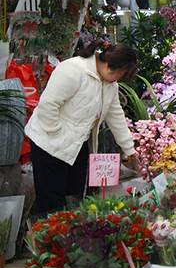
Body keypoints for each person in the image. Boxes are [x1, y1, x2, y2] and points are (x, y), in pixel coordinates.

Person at [25, 39, 141, 215]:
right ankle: (49, 239)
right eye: (121, 74)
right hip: (49, 145)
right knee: (52, 201)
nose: (120, 79)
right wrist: (56, 134)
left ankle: (71, 238)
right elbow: (48, 105)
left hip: (77, 146)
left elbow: (115, 115)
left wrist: (129, 148)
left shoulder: (109, 84)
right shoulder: (73, 69)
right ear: (109, 66)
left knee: (74, 198)